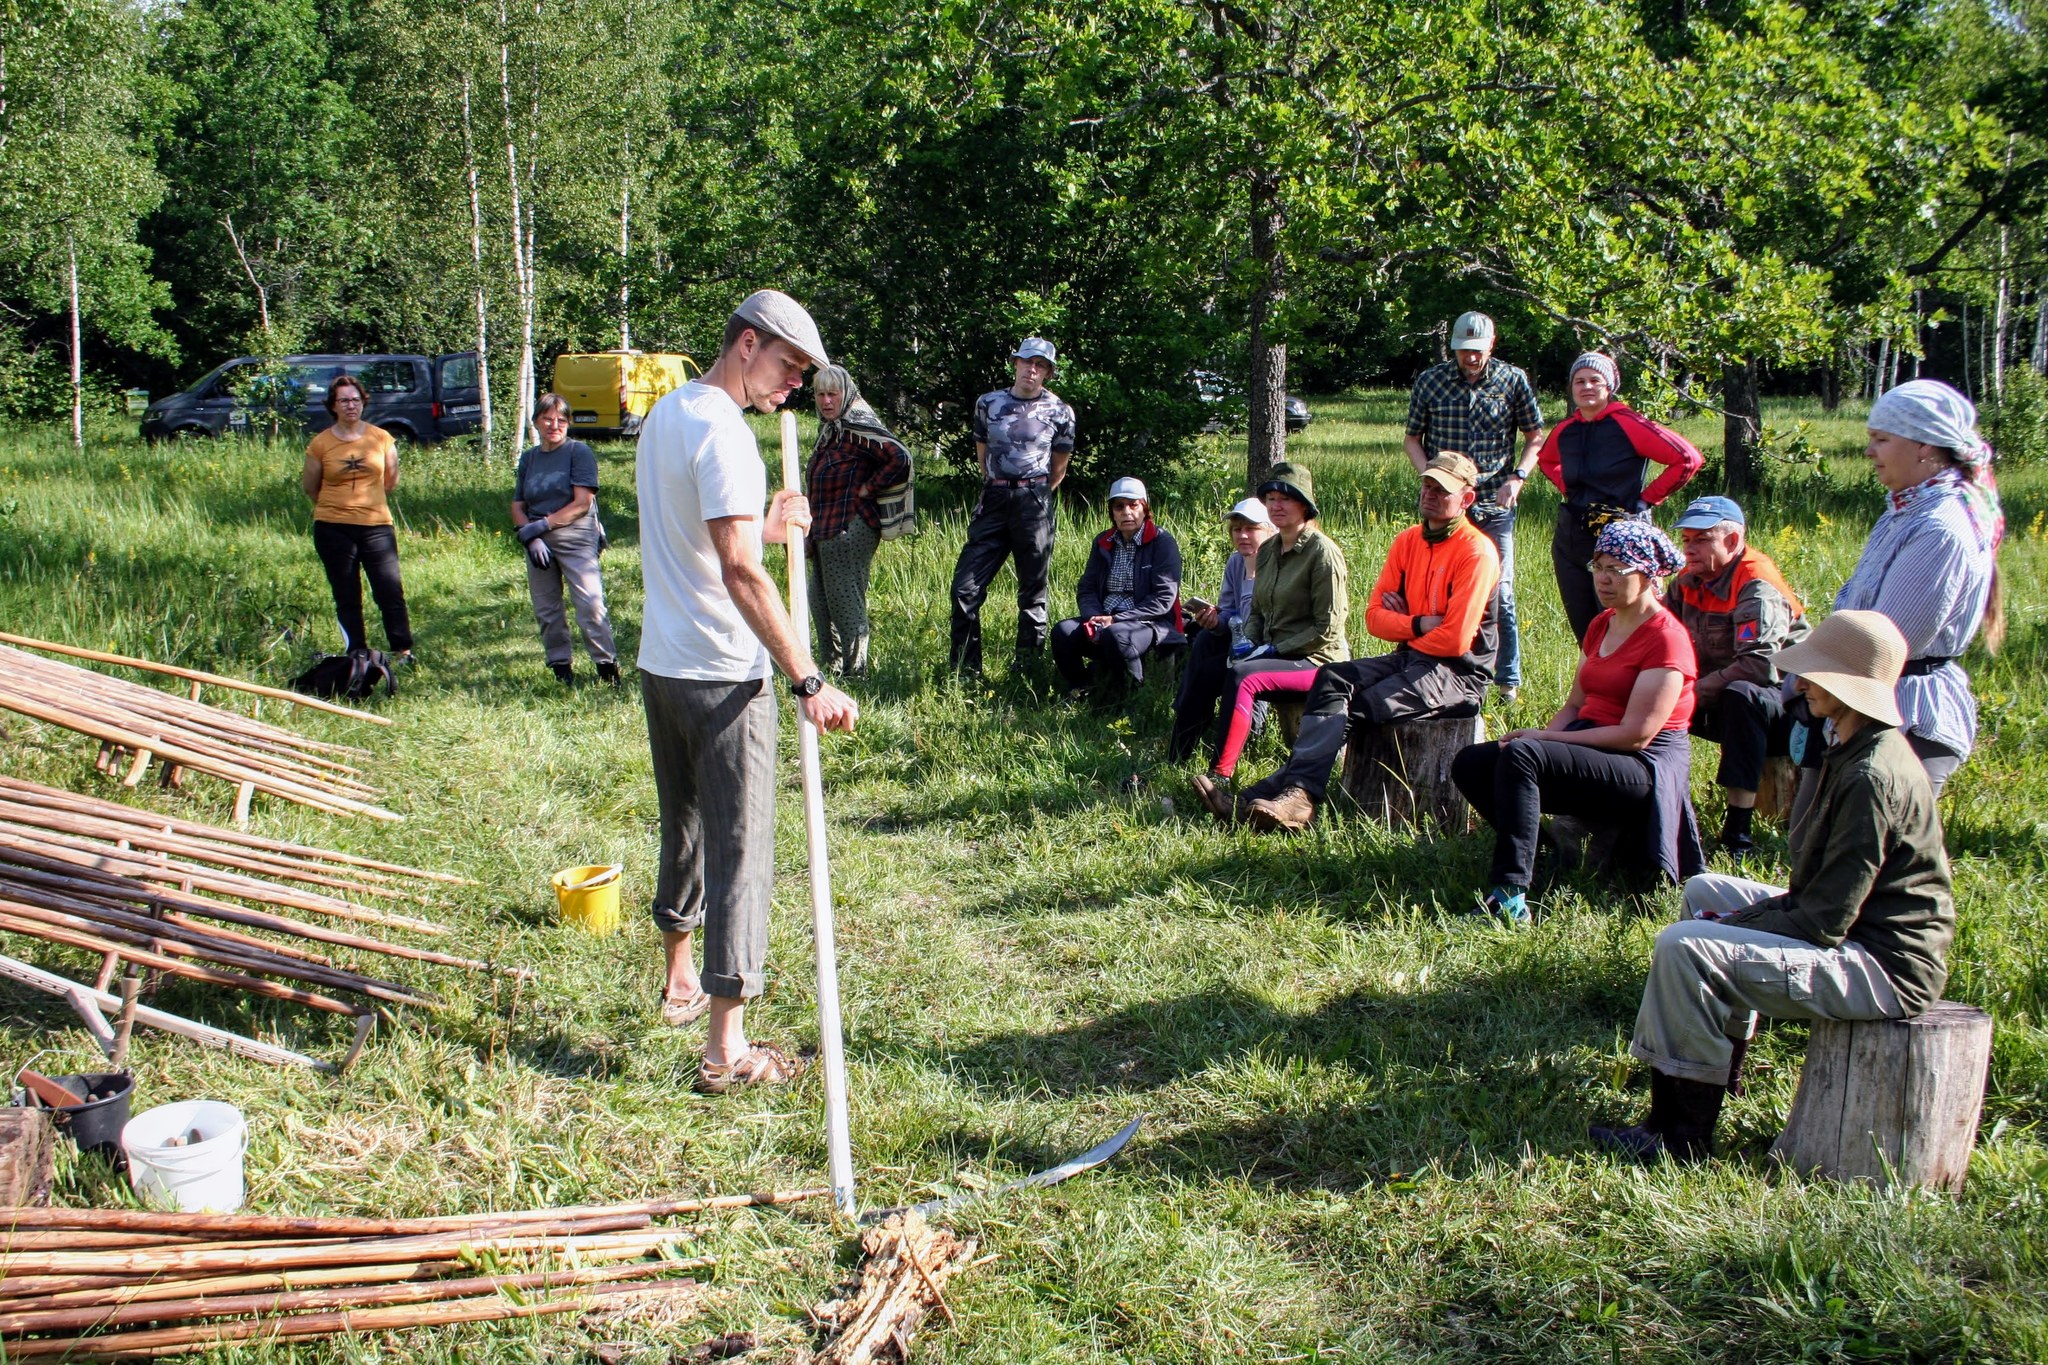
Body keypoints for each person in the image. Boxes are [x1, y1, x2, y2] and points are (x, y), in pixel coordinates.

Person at [1591, 611, 1953, 1163]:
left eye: (1815, 674)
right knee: (1706, 891)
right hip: (1854, 931)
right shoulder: (1854, 746)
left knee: (1684, 948)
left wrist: (1729, 930)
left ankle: (1678, 1133)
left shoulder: (1870, 777)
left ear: (1848, 688)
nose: (1801, 683)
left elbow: (1824, 920)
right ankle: (1719, 1067)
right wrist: (1728, 921)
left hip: (1883, 966)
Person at [635, 288, 859, 1095]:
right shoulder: (727, 433)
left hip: (663, 664)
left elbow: (701, 532)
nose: (794, 385)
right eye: (789, 365)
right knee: (742, 852)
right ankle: (726, 1049)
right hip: (726, 675)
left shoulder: (670, 413)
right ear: (746, 344)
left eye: (803, 373)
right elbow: (738, 572)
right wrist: (808, 675)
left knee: (684, 823)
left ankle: (680, 976)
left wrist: (763, 525)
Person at [1224, 453, 1500, 832]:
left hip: (1459, 674)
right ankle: (1292, 796)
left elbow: (1455, 641)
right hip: (1410, 657)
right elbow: (1373, 620)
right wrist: (1419, 623)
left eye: (1442, 490)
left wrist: (1402, 622)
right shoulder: (1408, 541)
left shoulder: (1476, 551)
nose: (1430, 495)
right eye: (1427, 485)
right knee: (1332, 680)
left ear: (1467, 499)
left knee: (1365, 704)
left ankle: (1280, 795)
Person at [1451, 521, 1703, 925]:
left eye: (1617, 569)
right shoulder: (1603, 624)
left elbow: (1637, 735)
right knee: (1473, 762)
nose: (1603, 579)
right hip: (1593, 744)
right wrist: (1546, 742)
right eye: (1598, 566)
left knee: (1524, 754)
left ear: (1648, 574)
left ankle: (1509, 897)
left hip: (1644, 768)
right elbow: (1575, 705)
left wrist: (1542, 743)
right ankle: (1546, 852)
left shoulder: (1666, 638)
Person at [1826, 379, 2003, 796]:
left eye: (1881, 439)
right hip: (1864, 699)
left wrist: (1815, 679)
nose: (1869, 451)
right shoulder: (1903, 511)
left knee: (1879, 849)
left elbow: (1889, 641)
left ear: (1924, 446)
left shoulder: (1939, 528)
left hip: (1905, 712)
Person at [1188, 461, 1349, 816]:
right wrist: (1252, 644)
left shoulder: (1323, 552)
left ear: (1304, 505)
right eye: (1271, 498)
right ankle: (1200, 760)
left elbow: (1329, 627)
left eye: (1286, 499)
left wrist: (1273, 649)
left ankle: (1221, 775)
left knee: (1246, 676)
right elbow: (1258, 611)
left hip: (1319, 661)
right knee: (1232, 666)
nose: (1276, 505)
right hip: (1278, 654)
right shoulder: (1270, 550)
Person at [1404, 311, 1544, 702]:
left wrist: (1518, 477)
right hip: (1446, 503)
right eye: (1464, 351)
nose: (1471, 358)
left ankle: (1506, 680)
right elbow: (1412, 438)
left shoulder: (1511, 380)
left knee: (1500, 593)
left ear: (1491, 346)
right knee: (1435, 589)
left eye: (1478, 351)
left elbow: (1535, 436)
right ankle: (1437, 663)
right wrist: (1431, 478)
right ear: (1454, 348)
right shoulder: (1431, 381)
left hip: (1494, 500)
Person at [1668, 495, 1809, 856]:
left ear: (1732, 541)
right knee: (1649, 689)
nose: (1690, 549)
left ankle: (1737, 833)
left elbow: (1760, 665)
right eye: (1686, 540)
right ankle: (1655, 807)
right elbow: (1658, 632)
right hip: (1715, 692)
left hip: (1791, 705)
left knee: (1741, 695)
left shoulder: (1755, 583)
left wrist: (1687, 693)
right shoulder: (1688, 579)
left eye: (1701, 539)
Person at [1534, 352, 1704, 644]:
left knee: (1624, 625)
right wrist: (1571, 491)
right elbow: (1546, 460)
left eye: (1595, 381)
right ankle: (1593, 685)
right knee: (1586, 629)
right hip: (1572, 536)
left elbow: (1687, 459)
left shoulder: (1629, 424)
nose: (1586, 387)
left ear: (1609, 386)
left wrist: (1644, 501)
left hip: (1621, 537)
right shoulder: (1566, 430)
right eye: (1579, 381)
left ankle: (1632, 686)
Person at [948, 338, 1077, 678]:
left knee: (1032, 593)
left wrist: (1032, 494)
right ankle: (966, 671)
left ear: (1047, 372)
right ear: (1015, 363)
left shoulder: (1060, 411)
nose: (1031, 370)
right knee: (965, 588)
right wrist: (1000, 485)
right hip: (993, 499)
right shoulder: (988, 403)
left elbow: (1058, 468)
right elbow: (982, 454)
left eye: (1040, 365)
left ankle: (1027, 673)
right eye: (1026, 362)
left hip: (1034, 501)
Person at [805, 365, 911, 678]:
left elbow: (900, 457)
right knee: (820, 601)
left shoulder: (857, 430)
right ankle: (833, 666)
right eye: (820, 394)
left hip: (851, 526)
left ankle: (856, 673)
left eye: (832, 394)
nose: (825, 401)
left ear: (846, 395)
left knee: (845, 599)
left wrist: (867, 488)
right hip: (825, 526)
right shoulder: (829, 433)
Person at [300, 373, 414, 665]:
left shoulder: (381, 438)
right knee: (347, 592)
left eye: (355, 400)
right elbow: (311, 487)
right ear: (333, 406)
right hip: (332, 527)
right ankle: (356, 652)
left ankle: (402, 650)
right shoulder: (320, 444)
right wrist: (339, 506)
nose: (350, 406)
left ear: (363, 402)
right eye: (343, 401)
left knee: (389, 589)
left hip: (376, 525)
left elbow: (390, 481)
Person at [512, 393, 619, 686]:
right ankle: (561, 670)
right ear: (535, 422)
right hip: (538, 542)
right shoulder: (529, 458)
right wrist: (529, 536)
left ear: (568, 423)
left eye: (561, 420)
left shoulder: (578, 452)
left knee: (590, 604)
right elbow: (518, 504)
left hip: (575, 536)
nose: (554, 425)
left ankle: (607, 669)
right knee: (546, 608)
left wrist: (543, 525)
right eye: (547, 418)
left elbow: (582, 503)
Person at [1049, 478, 1184, 698]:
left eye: (1133, 505)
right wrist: (1094, 617)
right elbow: (1087, 587)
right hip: (1105, 618)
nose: (1126, 512)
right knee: (1062, 632)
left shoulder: (1162, 542)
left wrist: (1117, 620)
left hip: (1148, 623)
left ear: (1144, 509)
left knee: (1116, 636)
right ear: (1112, 512)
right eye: (1119, 506)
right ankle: (1081, 689)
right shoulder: (1103, 541)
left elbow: (1163, 598)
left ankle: (1130, 698)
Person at [1167, 499, 1275, 761]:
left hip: (1269, 645)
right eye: (1237, 529)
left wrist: (1251, 575)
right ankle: (1186, 721)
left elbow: (1255, 624)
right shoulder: (1236, 561)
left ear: (1270, 531)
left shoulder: (1274, 565)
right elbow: (1232, 612)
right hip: (1242, 640)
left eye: (1252, 528)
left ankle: (1249, 726)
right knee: (1204, 639)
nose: (1243, 535)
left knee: (1219, 666)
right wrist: (1214, 620)